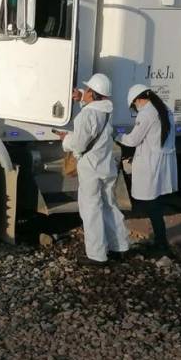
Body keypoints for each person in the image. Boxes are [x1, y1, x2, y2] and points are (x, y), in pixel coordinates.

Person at [55, 73, 130, 266]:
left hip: (91, 168)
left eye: (87, 90)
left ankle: (97, 255)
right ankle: (120, 246)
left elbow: (79, 145)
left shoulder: (87, 115)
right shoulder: (107, 111)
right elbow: (96, 115)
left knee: (91, 210)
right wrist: (81, 97)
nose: (84, 91)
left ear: (93, 93)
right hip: (106, 166)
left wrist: (65, 139)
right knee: (109, 206)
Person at [114, 84, 178, 258]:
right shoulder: (164, 109)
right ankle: (160, 241)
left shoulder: (147, 113)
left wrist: (117, 136)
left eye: (134, 105)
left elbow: (133, 140)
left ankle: (162, 245)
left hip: (150, 164)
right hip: (160, 163)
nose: (135, 108)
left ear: (138, 99)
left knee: (151, 205)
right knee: (155, 204)